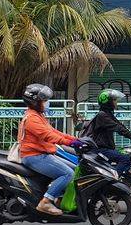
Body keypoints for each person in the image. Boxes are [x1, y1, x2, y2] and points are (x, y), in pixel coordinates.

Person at [19, 84, 84, 216]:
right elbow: (48, 136)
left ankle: (59, 198)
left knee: (76, 169)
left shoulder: (38, 116)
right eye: (44, 101)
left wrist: (75, 139)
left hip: (43, 154)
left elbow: (54, 131)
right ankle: (46, 202)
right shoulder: (32, 119)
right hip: (35, 156)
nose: (47, 103)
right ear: (35, 102)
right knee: (67, 174)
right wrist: (70, 143)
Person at [84, 89, 131, 176]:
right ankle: (112, 179)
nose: (116, 103)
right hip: (100, 149)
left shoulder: (107, 114)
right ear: (108, 102)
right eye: (114, 100)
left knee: (126, 155)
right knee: (125, 159)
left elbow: (120, 125)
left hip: (106, 148)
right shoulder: (102, 115)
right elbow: (117, 128)